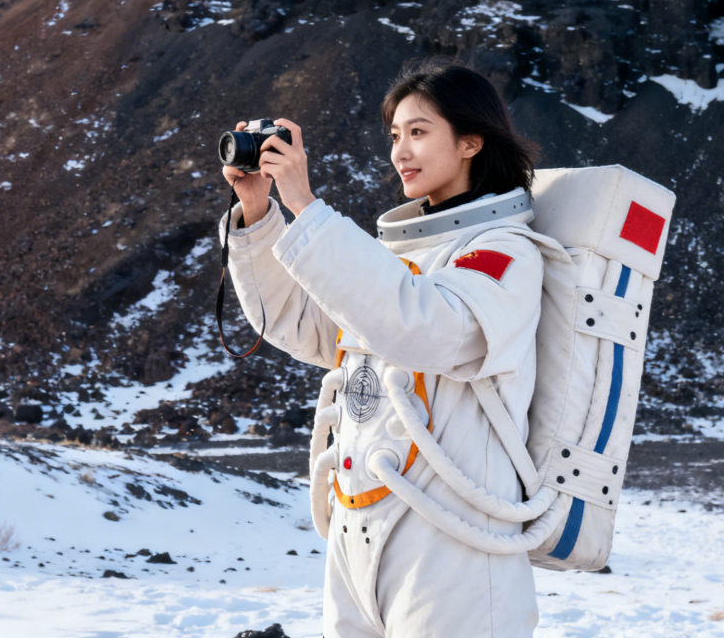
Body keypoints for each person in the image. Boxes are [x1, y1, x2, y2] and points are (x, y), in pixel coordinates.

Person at [220, 60, 553, 637]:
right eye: (396, 135)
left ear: (472, 141)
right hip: (359, 535)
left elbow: (427, 329)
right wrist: (260, 211)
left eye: (419, 132)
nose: (401, 151)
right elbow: (301, 324)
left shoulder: (504, 251)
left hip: (451, 547)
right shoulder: (395, 260)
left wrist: (307, 205)